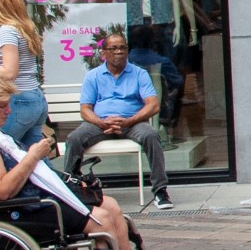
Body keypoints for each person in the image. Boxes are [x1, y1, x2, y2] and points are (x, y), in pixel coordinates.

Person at [0, 78, 172, 250]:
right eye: (2, 106)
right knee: (100, 220)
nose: (9, 110)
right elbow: (3, 191)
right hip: (23, 209)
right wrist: (33, 157)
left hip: (35, 198)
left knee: (110, 206)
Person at [64, 28, 171, 208]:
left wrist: (130, 121)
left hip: (132, 122)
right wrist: (101, 122)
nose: (119, 52)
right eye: (113, 48)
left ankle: (160, 191)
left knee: (151, 135)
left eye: (122, 48)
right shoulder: (93, 76)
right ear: (104, 53)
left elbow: (153, 105)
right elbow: (85, 110)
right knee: (74, 138)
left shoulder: (139, 74)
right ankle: (70, 187)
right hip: (100, 123)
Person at [0, 0, 46, 144]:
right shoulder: (26, 27)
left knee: (5, 150)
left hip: (17, 101)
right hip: (34, 98)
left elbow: (10, 72)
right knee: (34, 158)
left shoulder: (6, 31)